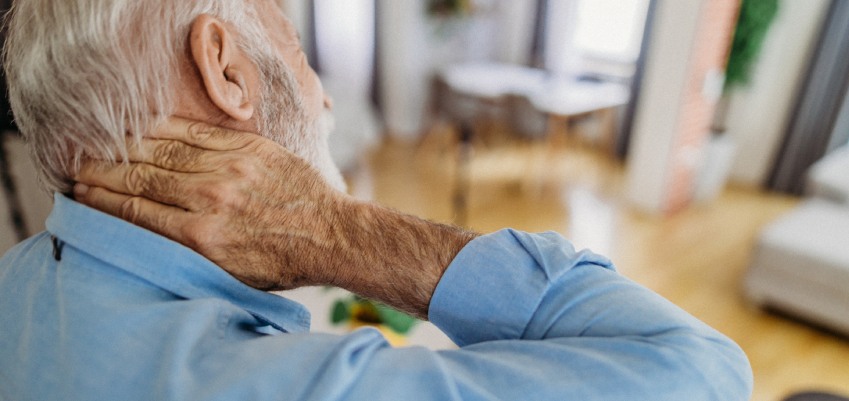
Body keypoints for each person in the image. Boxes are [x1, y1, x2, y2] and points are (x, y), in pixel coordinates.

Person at [0, 0, 753, 400]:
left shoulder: (14, 282)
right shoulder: (302, 385)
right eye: (295, 44)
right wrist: (336, 233)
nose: (322, 94)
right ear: (225, 70)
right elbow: (700, 370)